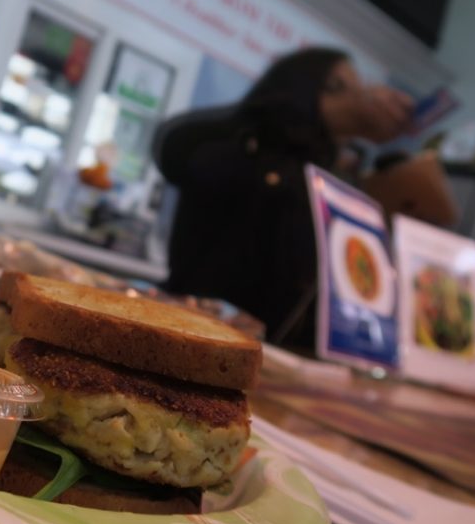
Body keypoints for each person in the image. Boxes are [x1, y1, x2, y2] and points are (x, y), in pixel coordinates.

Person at [152, 47, 412, 347]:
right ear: (306, 87)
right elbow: (175, 146)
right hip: (198, 339)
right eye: (342, 85)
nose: (360, 95)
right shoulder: (250, 148)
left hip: (277, 356)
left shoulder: (329, 174)